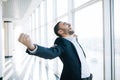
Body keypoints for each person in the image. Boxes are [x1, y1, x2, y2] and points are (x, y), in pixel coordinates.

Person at [18, 21, 93, 80]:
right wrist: (32, 47)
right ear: (60, 32)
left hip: (88, 77)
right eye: (65, 24)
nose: (69, 24)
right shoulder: (61, 42)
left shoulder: (74, 40)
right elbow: (50, 53)